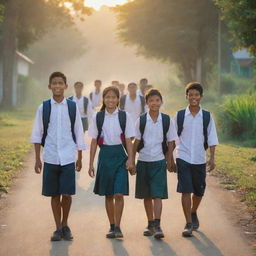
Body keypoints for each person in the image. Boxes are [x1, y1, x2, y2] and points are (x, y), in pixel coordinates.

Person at [30, 71, 86, 241]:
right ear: (49, 87)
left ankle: (65, 223)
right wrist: (38, 159)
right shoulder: (44, 107)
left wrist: (80, 157)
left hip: (68, 156)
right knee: (54, 194)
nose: (57, 86)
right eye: (54, 83)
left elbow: (78, 131)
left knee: (67, 194)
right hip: (51, 156)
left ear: (65, 86)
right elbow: (37, 134)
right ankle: (57, 228)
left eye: (60, 83)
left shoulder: (72, 106)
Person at [88, 86, 135, 239]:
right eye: (107, 97)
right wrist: (90, 164)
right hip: (105, 156)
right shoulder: (98, 117)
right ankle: (112, 225)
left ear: (118, 99)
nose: (110, 100)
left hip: (120, 156)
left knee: (119, 193)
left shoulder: (124, 116)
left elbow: (128, 140)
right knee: (108, 194)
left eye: (113, 97)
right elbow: (94, 141)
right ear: (103, 99)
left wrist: (131, 159)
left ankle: (118, 226)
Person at [173, 82, 219, 237]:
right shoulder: (179, 115)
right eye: (190, 95)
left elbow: (212, 138)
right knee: (186, 189)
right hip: (183, 156)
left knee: (199, 191)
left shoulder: (206, 116)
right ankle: (188, 223)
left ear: (201, 97)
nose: (193, 97)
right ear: (186, 96)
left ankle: (193, 212)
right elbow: (171, 139)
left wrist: (212, 158)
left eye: (196, 95)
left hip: (199, 158)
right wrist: (170, 159)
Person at [133, 88, 177, 239]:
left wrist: (170, 160)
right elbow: (136, 141)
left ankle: (157, 225)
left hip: (159, 161)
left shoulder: (166, 120)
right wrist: (131, 161)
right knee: (146, 195)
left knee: (157, 195)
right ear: (146, 103)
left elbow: (171, 142)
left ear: (161, 102)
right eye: (151, 100)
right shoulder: (141, 120)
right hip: (144, 161)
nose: (154, 103)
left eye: (157, 100)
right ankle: (150, 223)